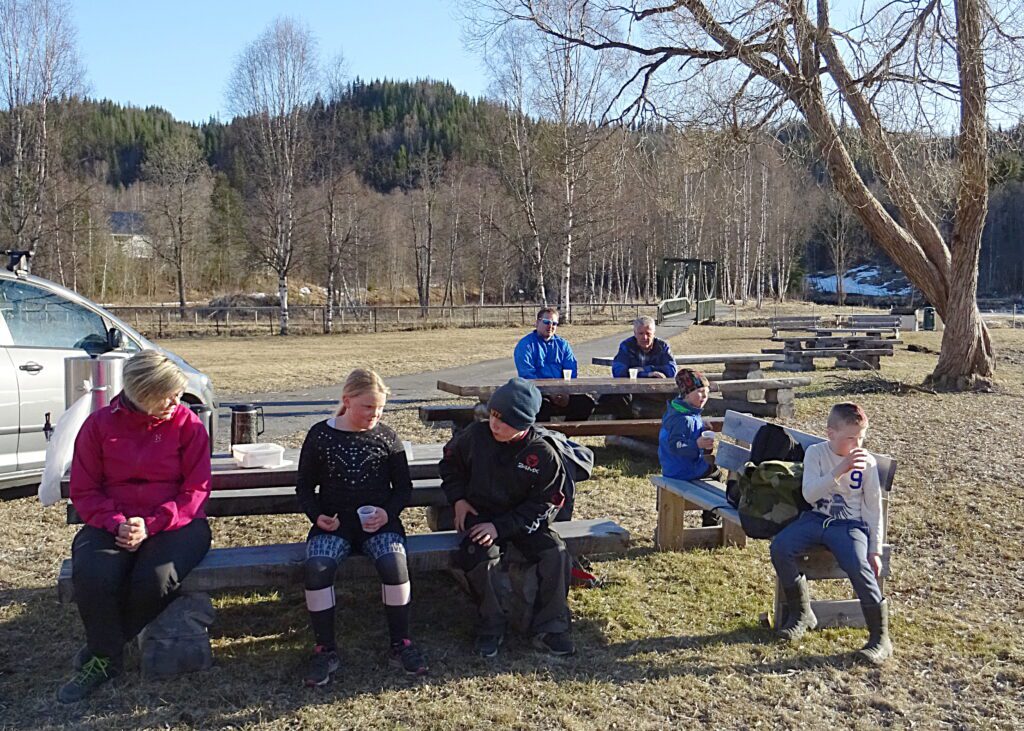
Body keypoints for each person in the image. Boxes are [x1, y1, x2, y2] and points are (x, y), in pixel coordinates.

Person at [60, 350, 212, 703]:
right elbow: (84, 490)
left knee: (155, 578)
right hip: (112, 519)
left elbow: (196, 491)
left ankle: (103, 654)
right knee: (94, 574)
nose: (177, 402)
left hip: (177, 523)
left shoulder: (187, 424)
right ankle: (106, 655)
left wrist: (153, 523)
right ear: (142, 393)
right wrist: (116, 523)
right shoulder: (98, 426)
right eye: (168, 395)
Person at [295, 368, 427, 686]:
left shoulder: (387, 437)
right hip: (334, 525)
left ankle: (401, 644)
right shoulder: (320, 435)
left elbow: (404, 489)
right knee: (316, 568)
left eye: (379, 408)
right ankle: (325, 649)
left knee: (395, 565)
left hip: (379, 525)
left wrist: (387, 512)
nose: (374, 414)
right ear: (347, 400)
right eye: (368, 407)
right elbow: (303, 488)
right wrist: (317, 517)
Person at [439, 377, 575, 658]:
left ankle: (551, 627)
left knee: (556, 553)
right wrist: (459, 499)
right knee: (479, 554)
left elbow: (544, 504)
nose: (496, 425)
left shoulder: (543, 453)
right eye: (494, 416)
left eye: (506, 422)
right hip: (481, 513)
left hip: (524, 520)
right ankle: (491, 626)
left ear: (525, 425)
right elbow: (449, 465)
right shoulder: (475, 436)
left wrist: (501, 527)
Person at [769, 402, 892, 664]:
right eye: (851, 438)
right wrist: (839, 470)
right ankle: (802, 613)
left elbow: (873, 509)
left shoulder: (867, 463)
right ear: (831, 434)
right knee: (780, 546)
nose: (857, 445)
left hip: (849, 526)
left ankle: (880, 638)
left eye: (861, 437)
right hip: (816, 518)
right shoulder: (816, 454)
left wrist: (875, 549)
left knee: (859, 565)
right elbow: (810, 494)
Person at [513, 307, 595, 421]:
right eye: (546, 322)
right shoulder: (525, 345)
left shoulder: (563, 344)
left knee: (586, 403)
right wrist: (549, 392)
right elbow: (527, 374)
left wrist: (566, 391)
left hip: (562, 391)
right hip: (537, 392)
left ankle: (563, 435)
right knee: (541, 408)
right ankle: (544, 437)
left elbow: (571, 370)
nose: (550, 326)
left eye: (554, 323)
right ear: (537, 322)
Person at [603, 316, 677, 417]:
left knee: (677, 395)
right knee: (618, 396)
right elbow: (618, 372)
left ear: (654, 333)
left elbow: (671, 370)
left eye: (648, 333)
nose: (644, 337)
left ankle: (670, 426)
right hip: (632, 390)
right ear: (635, 333)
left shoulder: (662, 346)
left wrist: (644, 370)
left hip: (657, 390)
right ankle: (629, 430)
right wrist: (649, 374)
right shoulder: (626, 346)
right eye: (641, 333)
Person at [657, 369, 722, 483]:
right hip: (682, 471)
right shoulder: (683, 419)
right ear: (686, 395)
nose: (704, 396)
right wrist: (697, 444)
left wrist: (702, 429)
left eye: (707, 392)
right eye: (700, 391)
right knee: (715, 471)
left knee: (710, 462)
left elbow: (687, 434)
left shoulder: (681, 410)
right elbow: (675, 445)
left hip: (673, 467)